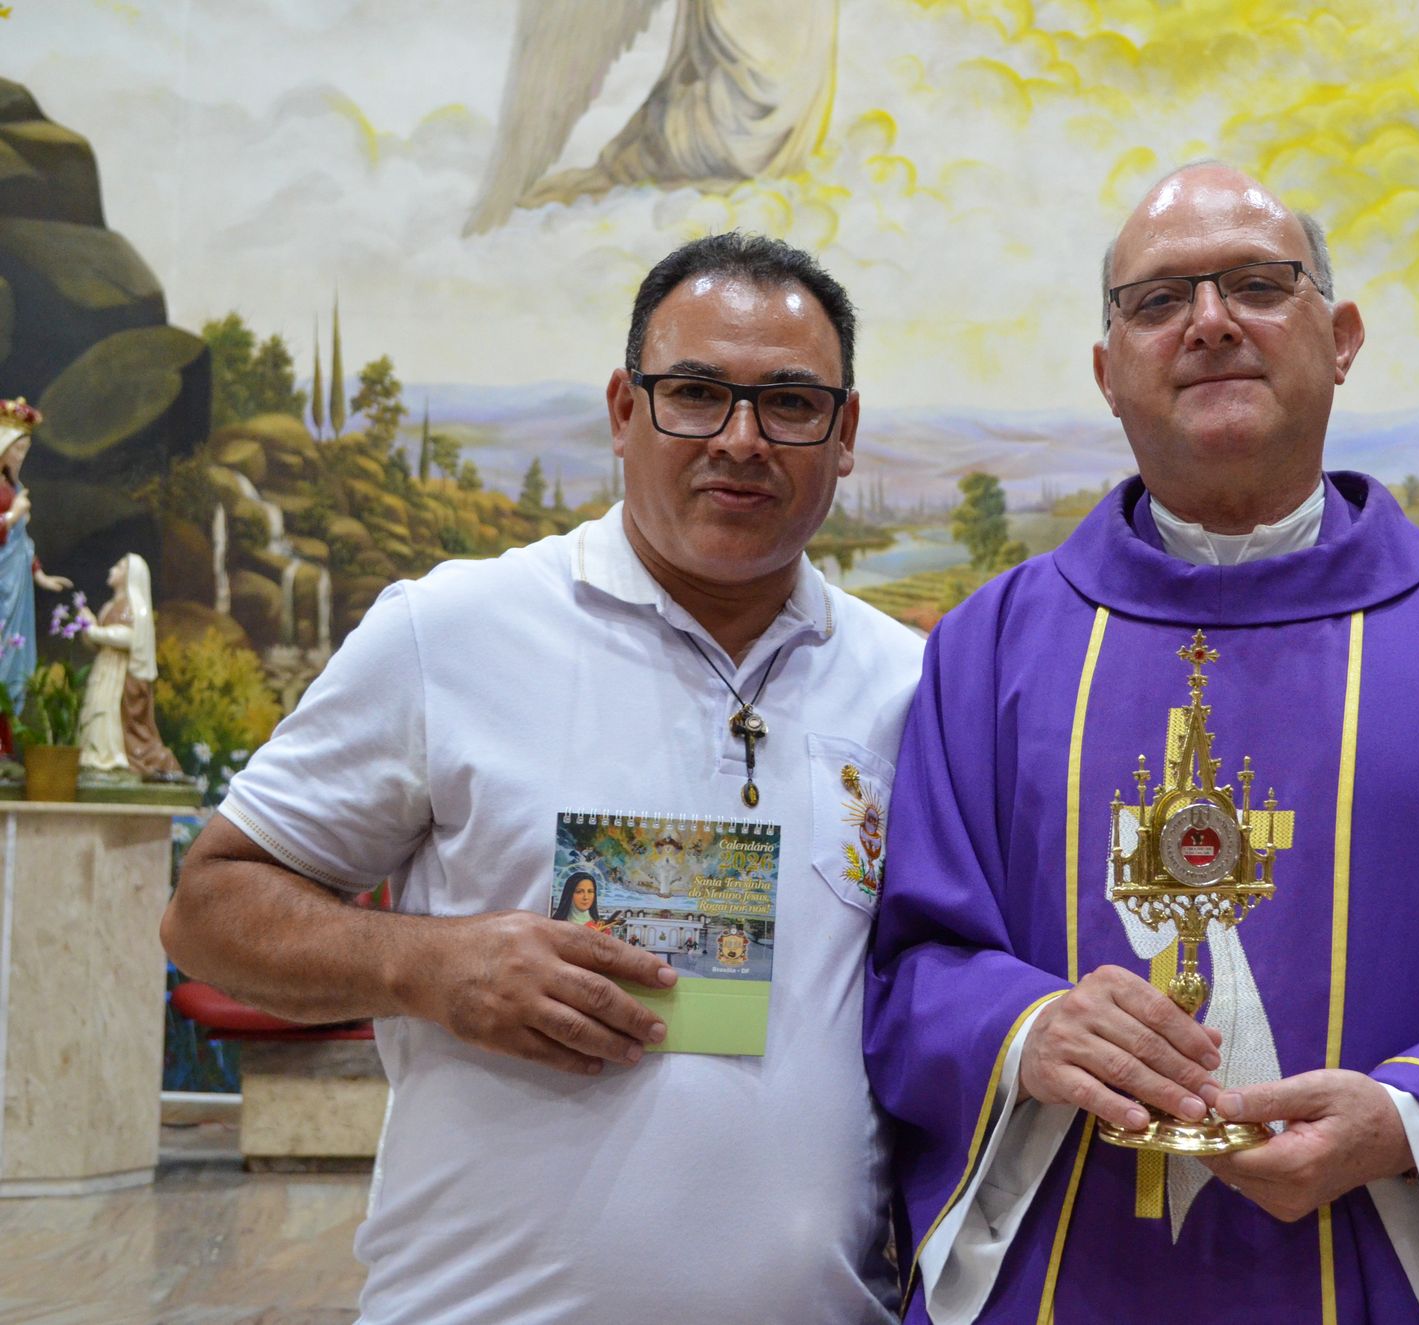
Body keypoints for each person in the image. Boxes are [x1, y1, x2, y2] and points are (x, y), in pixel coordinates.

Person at [865, 163, 1419, 1323]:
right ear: (1106, 371)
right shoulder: (990, 650)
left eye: (1258, 284)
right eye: (1157, 299)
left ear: (1341, 337)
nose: (1209, 322)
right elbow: (907, 964)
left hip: (1389, 1265)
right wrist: (1024, 1029)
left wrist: (1417, 1115)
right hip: (1069, 1273)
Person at [161, 232, 924, 1323]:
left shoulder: (909, 685)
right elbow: (207, 909)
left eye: (790, 403)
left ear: (843, 434)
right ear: (623, 409)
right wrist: (429, 963)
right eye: (695, 393)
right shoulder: (450, 631)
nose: (740, 439)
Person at [0, 397, 72, 753]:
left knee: (12, 663)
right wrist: (12, 515)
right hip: (2, 584)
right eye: (18, 449)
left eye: (26, 450)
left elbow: (22, 542)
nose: (22, 456)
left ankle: (4, 744)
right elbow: (10, 528)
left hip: (17, 585)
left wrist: (40, 576)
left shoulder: (12, 487)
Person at [77, 553, 182, 778]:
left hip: (120, 673)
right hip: (105, 669)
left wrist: (94, 631)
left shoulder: (135, 607)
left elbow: (127, 637)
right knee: (96, 711)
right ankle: (95, 756)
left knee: (109, 714)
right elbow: (97, 643)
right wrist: (89, 626)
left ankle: (112, 757)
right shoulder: (109, 606)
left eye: (120, 567)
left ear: (130, 575)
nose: (112, 570)